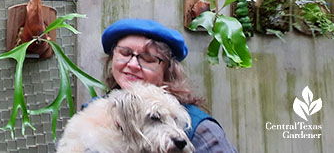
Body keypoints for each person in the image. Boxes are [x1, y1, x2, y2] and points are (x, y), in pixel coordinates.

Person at [101, 18, 238, 153]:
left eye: (148, 59)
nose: (132, 65)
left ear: (168, 69)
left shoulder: (200, 129)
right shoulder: (96, 113)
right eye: (125, 53)